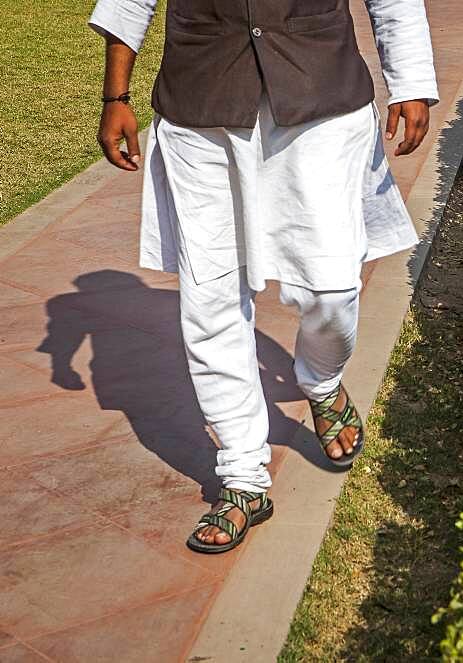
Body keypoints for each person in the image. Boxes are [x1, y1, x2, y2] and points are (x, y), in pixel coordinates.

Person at [89, 0, 437, 554]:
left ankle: (321, 382)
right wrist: (115, 97)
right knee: (210, 301)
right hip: (200, 106)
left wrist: (412, 79)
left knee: (331, 289)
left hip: (321, 104)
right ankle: (243, 476)